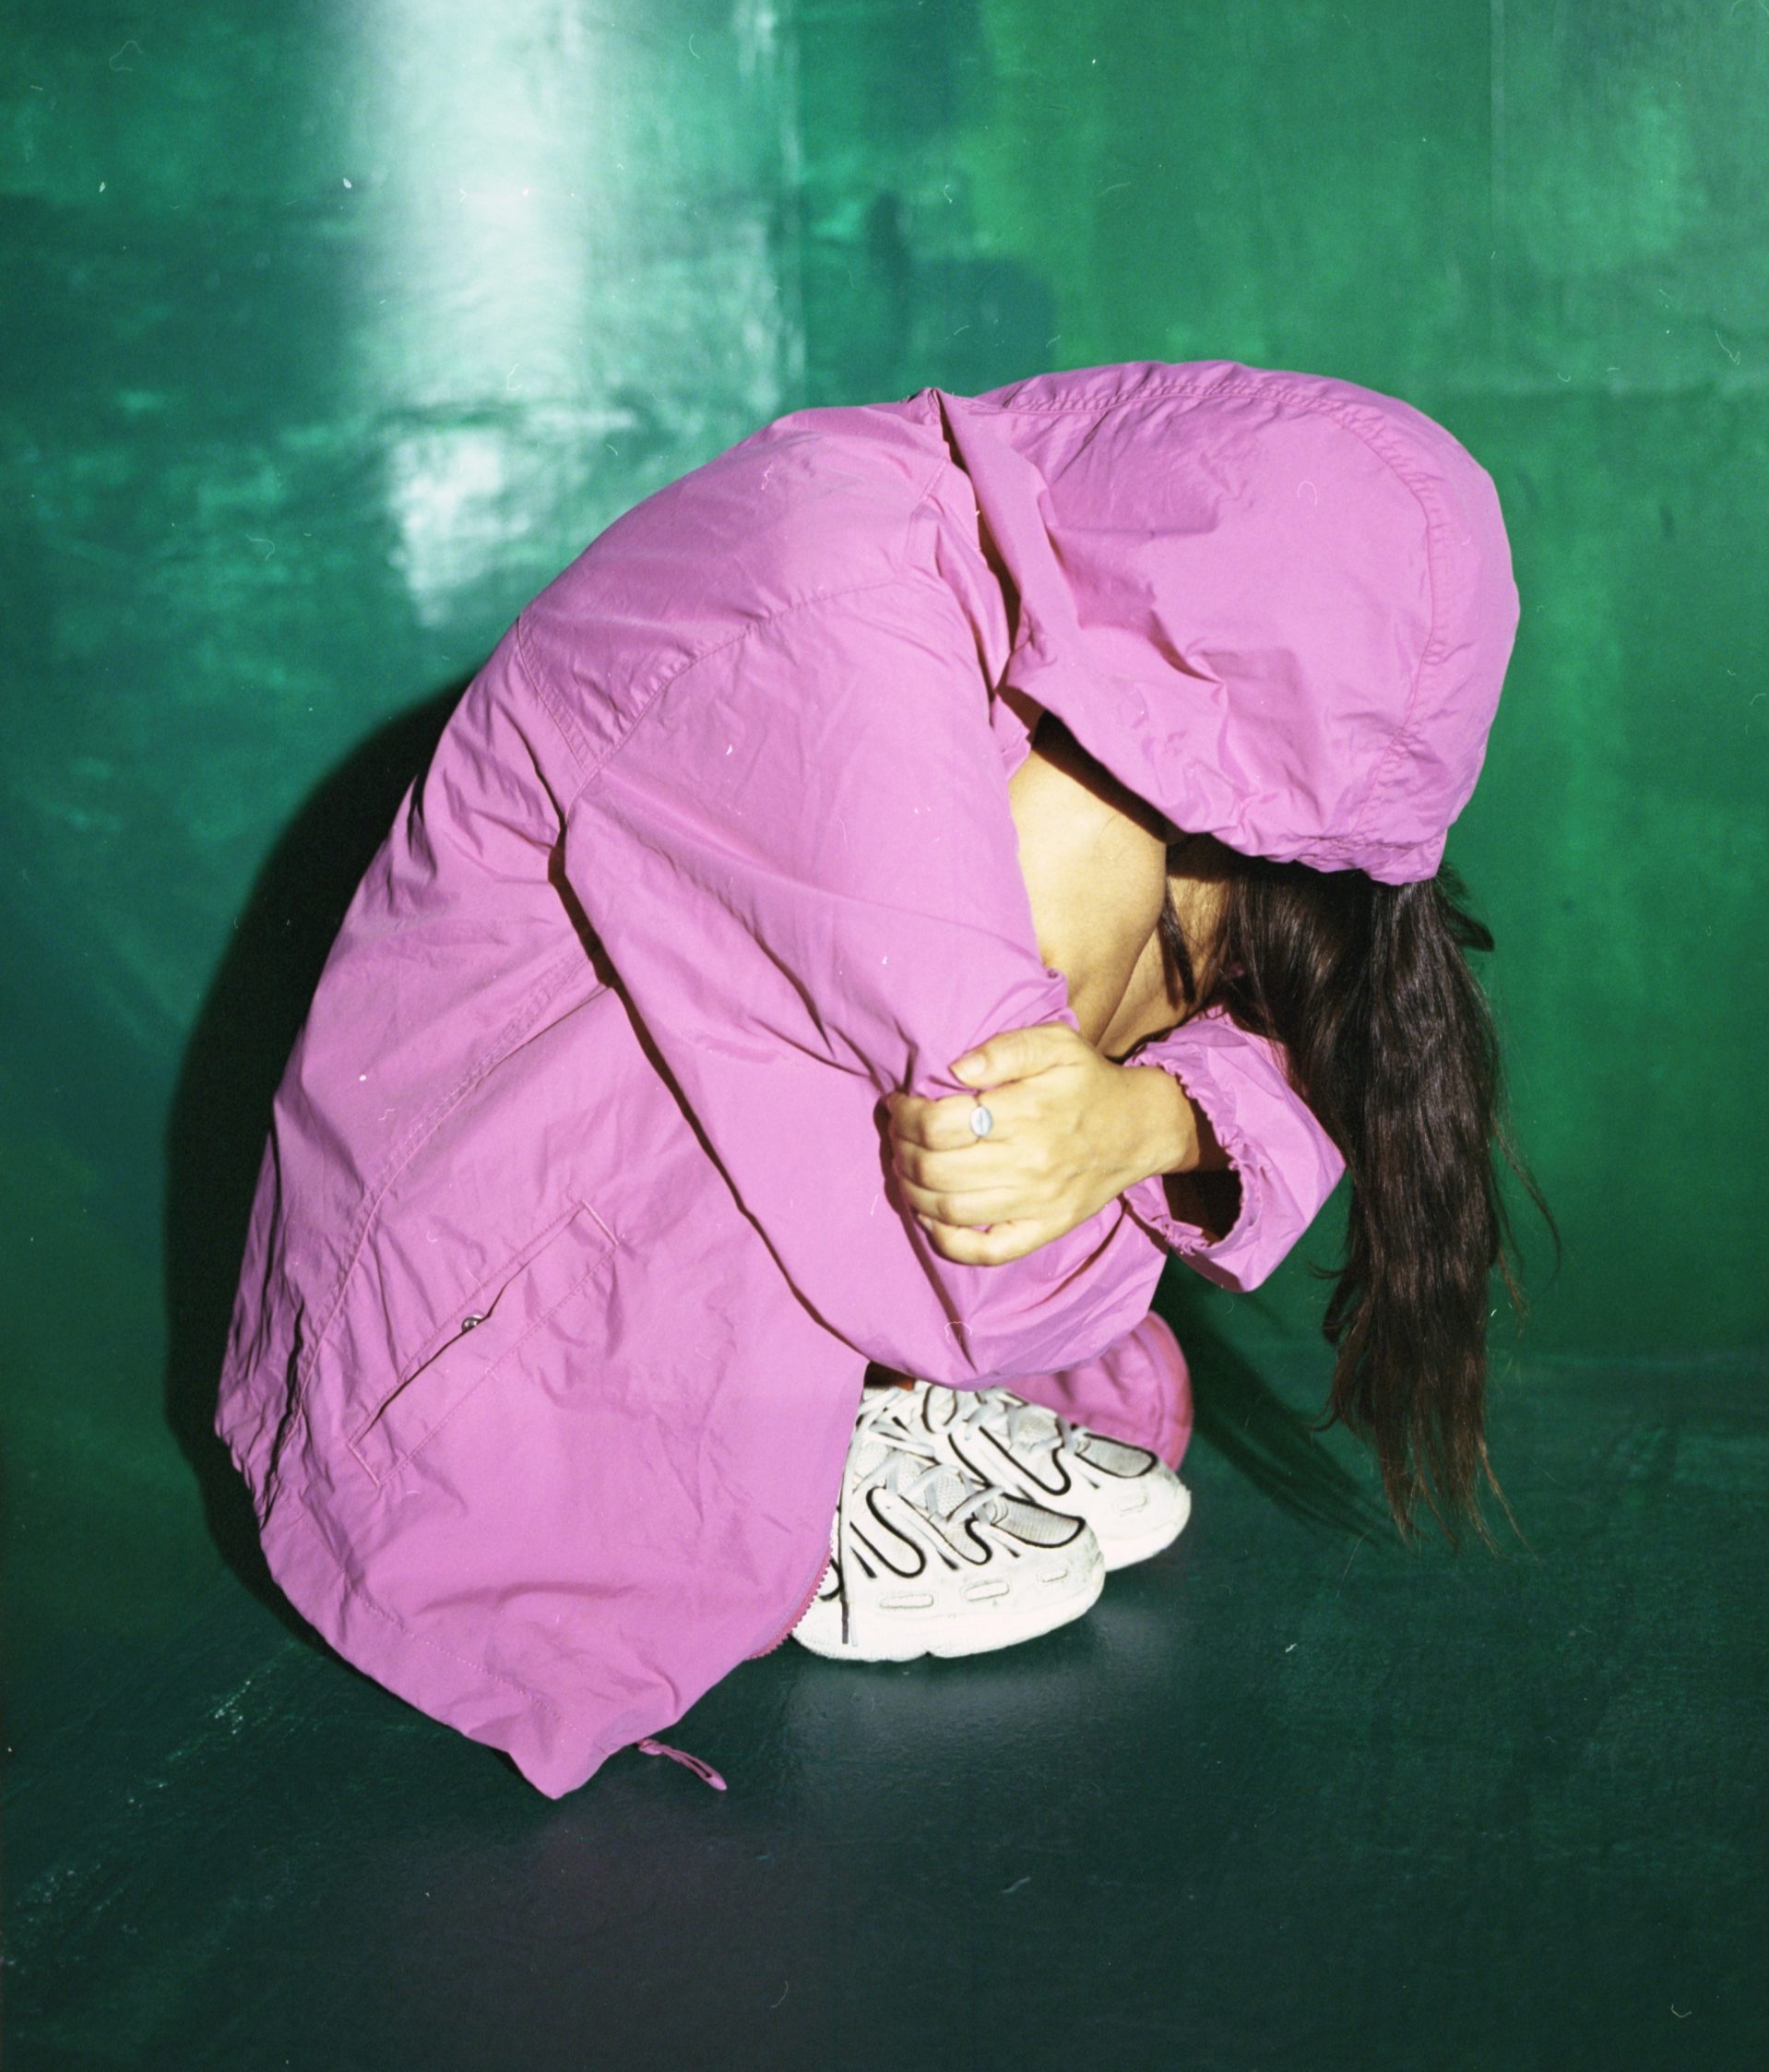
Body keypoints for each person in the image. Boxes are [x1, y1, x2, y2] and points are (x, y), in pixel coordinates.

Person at [216, 359, 1531, 1800]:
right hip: (473, 1374)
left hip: (663, 1229)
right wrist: (1134, 1111)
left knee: (1164, 866)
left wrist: (1152, 1116)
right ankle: (818, 1432)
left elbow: (1308, 1016)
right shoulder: (838, 609)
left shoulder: (1043, 564)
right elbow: (989, 1248)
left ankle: (861, 1396)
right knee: (1114, 851)